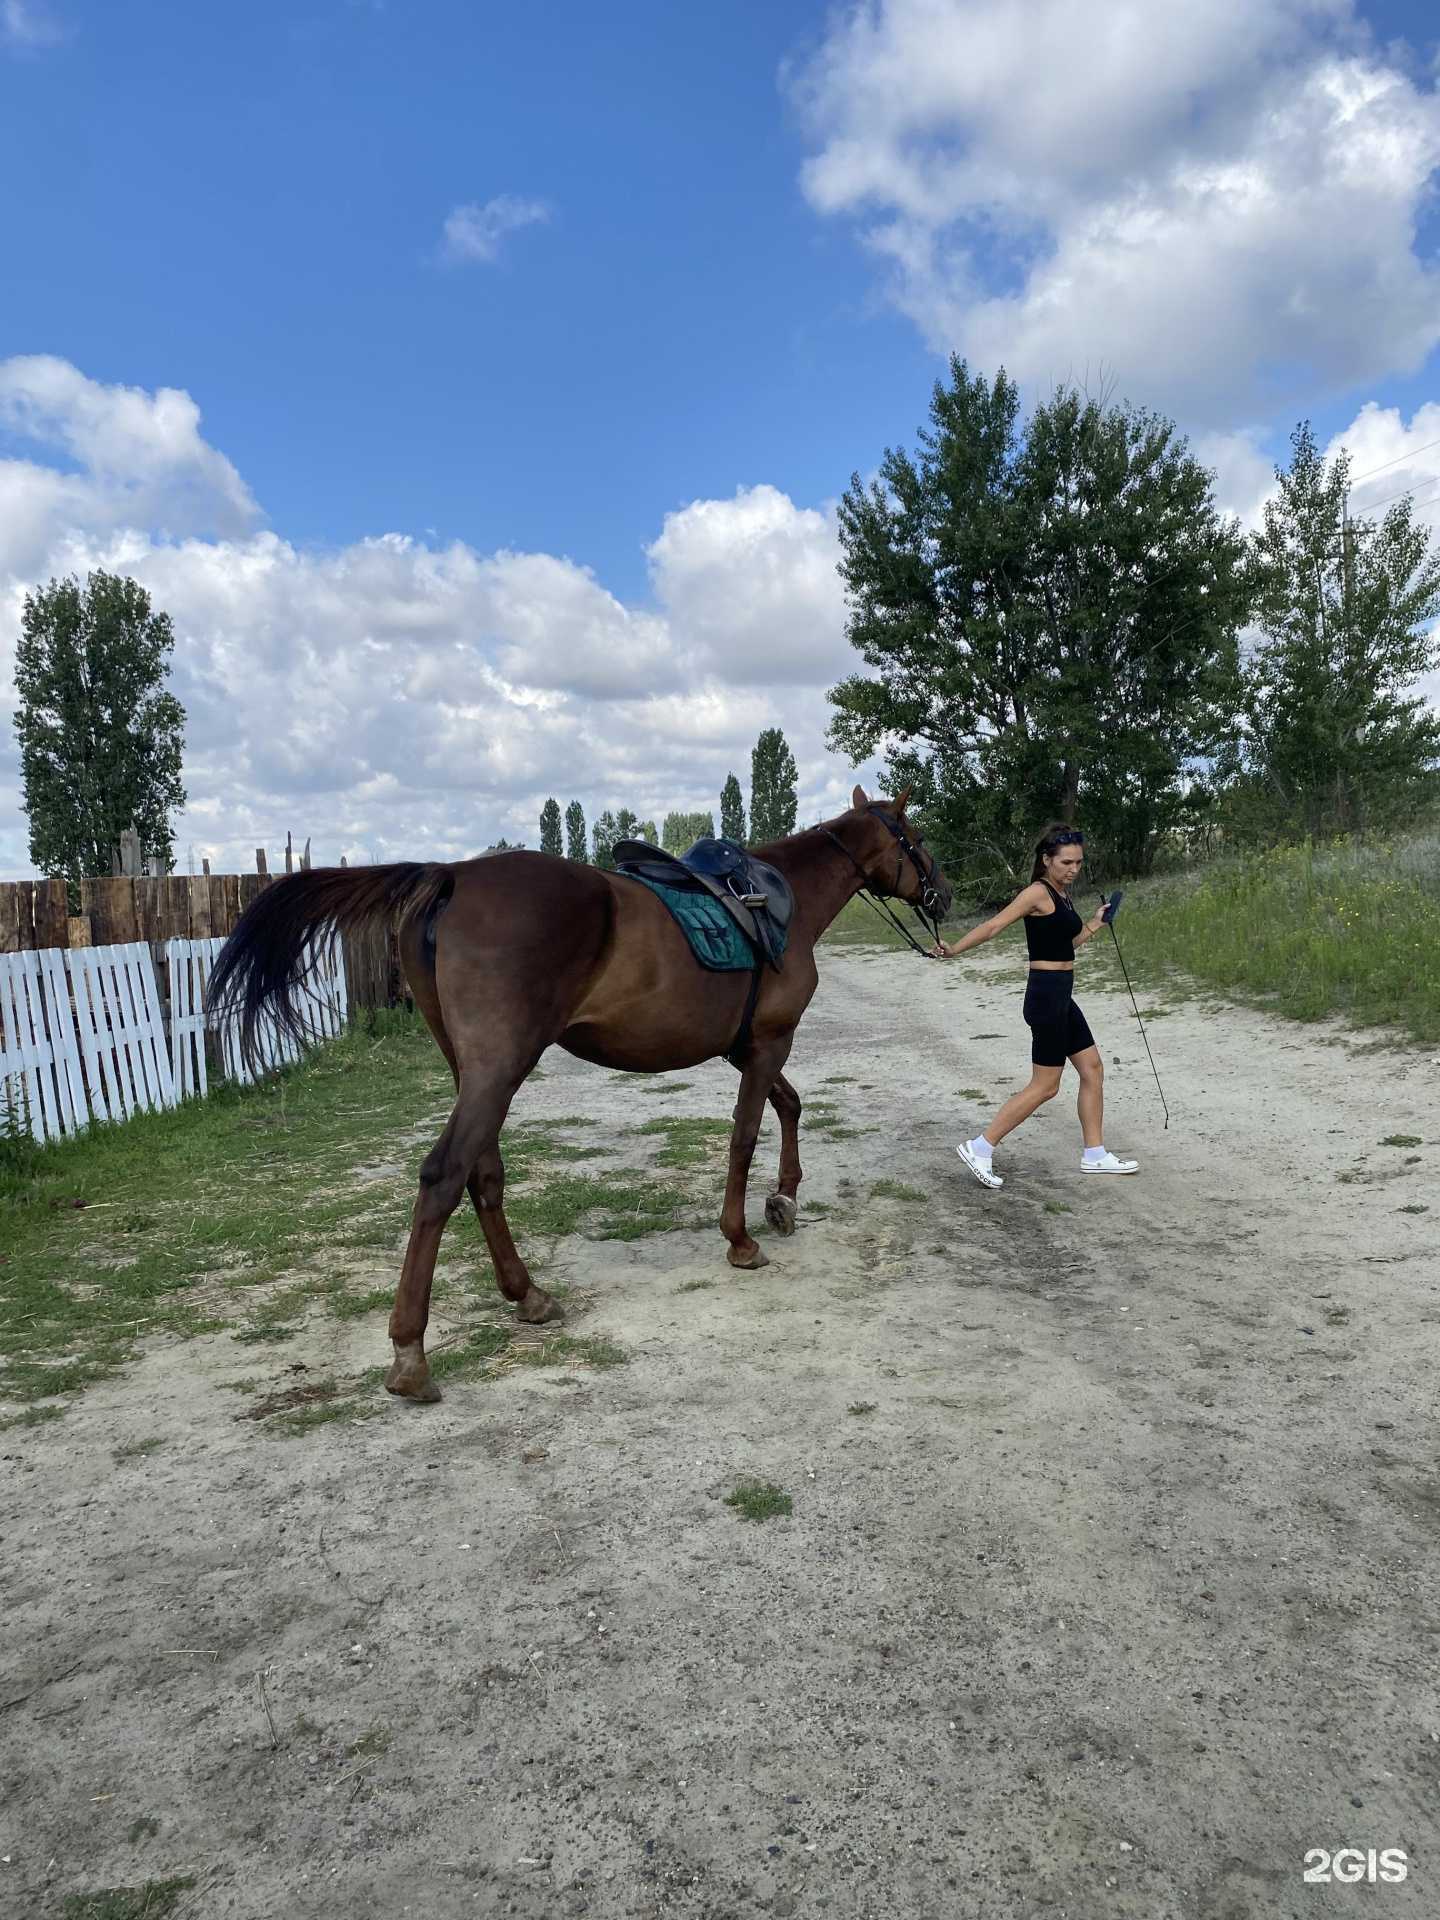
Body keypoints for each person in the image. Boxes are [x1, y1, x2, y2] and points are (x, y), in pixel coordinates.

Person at [929, 824, 1139, 1188]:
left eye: (1078, 862)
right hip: (1046, 997)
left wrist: (1096, 923)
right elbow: (994, 926)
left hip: (1061, 994)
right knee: (1045, 1086)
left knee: (1092, 1069)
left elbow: (1066, 945)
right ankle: (980, 1147)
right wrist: (954, 950)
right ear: (1046, 860)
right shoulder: (1036, 894)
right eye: (1066, 862)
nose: (1073, 869)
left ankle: (1095, 1154)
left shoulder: (1062, 894)